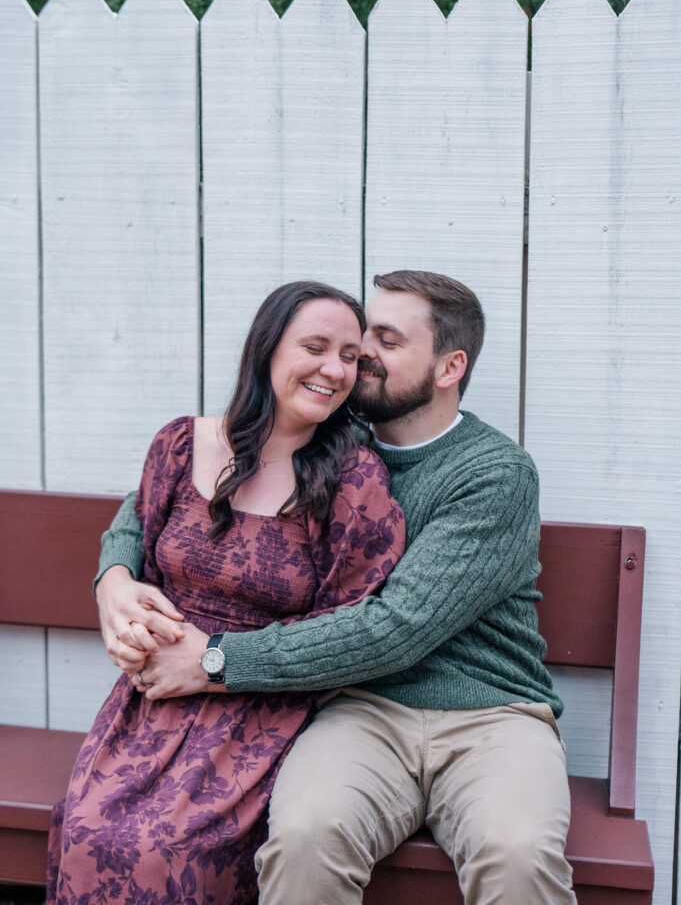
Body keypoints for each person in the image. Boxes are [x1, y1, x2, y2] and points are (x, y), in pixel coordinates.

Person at [96, 270, 577, 905]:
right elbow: (156, 499)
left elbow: (396, 627)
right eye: (360, 338)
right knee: (303, 837)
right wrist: (115, 576)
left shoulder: (494, 474)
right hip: (361, 710)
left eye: (386, 340)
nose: (362, 356)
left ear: (449, 366)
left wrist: (216, 658)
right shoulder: (329, 437)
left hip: (491, 718)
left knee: (517, 856)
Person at [46, 281, 405, 905]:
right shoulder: (181, 445)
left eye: (350, 356)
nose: (334, 369)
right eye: (315, 347)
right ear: (266, 350)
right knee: (86, 832)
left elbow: (353, 624)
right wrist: (121, 596)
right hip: (150, 702)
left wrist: (215, 660)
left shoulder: (353, 477)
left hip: (263, 709)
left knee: (168, 856)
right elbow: (135, 534)